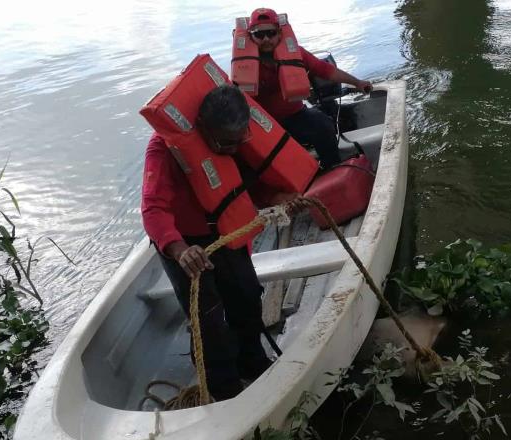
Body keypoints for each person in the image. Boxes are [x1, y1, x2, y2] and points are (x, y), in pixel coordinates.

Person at [141, 85, 298, 401]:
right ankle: (223, 391)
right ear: (204, 130)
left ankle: (252, 363)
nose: (236, 147)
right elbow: (153, 208)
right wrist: (179, 249)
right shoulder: (164, 149)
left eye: (241, 139)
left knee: (247, 294)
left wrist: (278, 198)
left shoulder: (236, 138)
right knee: (208, 319)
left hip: (226, 229)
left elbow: (246, 182)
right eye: (227, 143)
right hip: (185, 244)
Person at [244, 7, 372, 169]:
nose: (266, 39)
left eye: (271, 33)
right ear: (251, 36)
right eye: (259, 34)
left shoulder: (296, 53)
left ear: (280, 33)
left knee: (323, 124)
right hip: (263, 122)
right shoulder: (244, 66)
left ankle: (331, 168)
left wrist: (358, 83)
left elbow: (326, 71)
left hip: (296, 114)